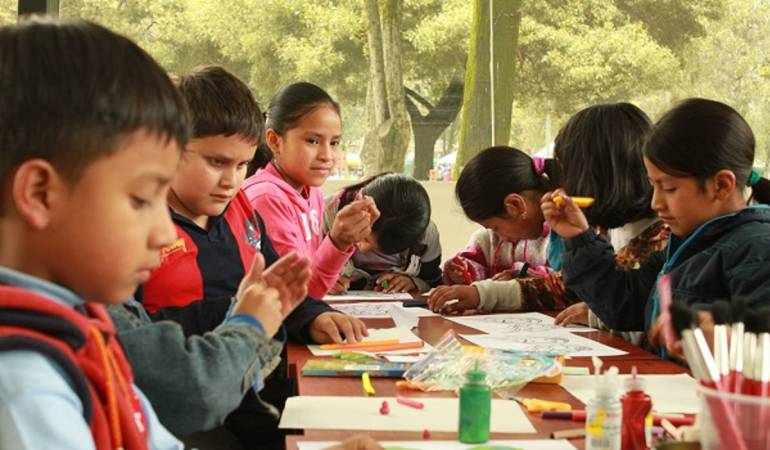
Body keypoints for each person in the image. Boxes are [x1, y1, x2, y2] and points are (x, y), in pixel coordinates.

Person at [0, 18, 191, 449]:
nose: (165, 233)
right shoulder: (24, 384)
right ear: (40, 194)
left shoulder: (80, 324)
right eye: (142, 199)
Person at [543, 98, 770, 344]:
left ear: (722, 185)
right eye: (653, 186)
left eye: (670, 188)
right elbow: (626, 307)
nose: (655, 203)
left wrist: (725, 341)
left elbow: (761, 344)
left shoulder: (758, 250)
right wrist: (579, 236)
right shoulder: (684, 243)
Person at [242, 82, 380, 300]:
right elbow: (296, 297)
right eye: (313, 141)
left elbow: (311, 282)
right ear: (275, 141)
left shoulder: (310, 191)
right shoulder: (266, 198)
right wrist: (338, 242)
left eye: (334, 143)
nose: (327, 155)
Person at [428, 147, 563, 313]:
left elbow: (566, 285)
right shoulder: (488, 240)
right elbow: (474, 262)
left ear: (516, 205)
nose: (500, 237)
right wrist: (462, 271)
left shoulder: (564, 235)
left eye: (495, 228)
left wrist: (524, 277)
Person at [324, 173, 441, 294]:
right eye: (364, 237)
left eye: (377, 249)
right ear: (360, 200)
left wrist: (414, 282)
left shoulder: (424, 236)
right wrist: (321, 277)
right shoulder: (325, 214)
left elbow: (433, 282)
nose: (362, 249)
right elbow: (306, 276)